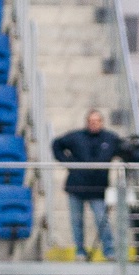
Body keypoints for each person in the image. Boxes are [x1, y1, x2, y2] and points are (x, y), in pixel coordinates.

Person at [52, 110, 127, 262]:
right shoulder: (76, 137)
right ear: (87, 122)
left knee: (102, 220)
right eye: (91, 121)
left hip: (97, 189)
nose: (94, 124)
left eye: (97, 121)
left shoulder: (110, 138)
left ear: (102, 122)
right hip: (76, 187)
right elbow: (56, 145)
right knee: (76, 221)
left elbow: (127, 152)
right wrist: (69, 163)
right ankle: (80, 251)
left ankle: (110, 251)